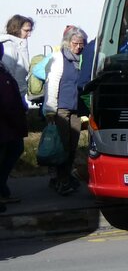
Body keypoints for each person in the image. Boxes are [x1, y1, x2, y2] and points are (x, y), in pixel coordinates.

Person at [43, 28, 88, 195]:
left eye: (81, 44)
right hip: (61, 109)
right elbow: (52, 84)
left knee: (72, 146)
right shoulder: (59, 58)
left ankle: (65, 177)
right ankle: (60, 180)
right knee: (61, 146)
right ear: (68, 43)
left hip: (76, 109)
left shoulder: (83, 59)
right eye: (75, 44)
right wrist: (50, 110)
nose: (77, 47)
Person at [0, 64, 27, 211]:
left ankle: (3, 190)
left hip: (9, 125)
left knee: (15, 150)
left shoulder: (4, 71)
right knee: (11, 152)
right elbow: (7, 103)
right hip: (7, 124)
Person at [1, 15, 33, 94]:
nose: (29, 35)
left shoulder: (20, 45)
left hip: (18, 94)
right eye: (26, 31)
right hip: (11, 95)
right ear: (15, 29)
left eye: (30, 31)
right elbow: (7, 77)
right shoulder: (9, 47)